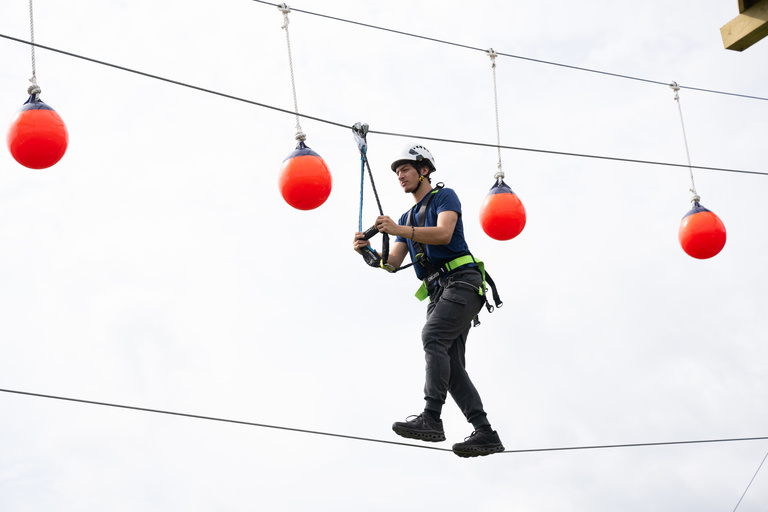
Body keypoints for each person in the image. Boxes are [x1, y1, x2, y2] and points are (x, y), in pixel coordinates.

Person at [353, 143, 504, 458]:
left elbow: (445, 234)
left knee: (432, 336)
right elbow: (392, 262)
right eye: (397, 172)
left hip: (462, 281)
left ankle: (432, 417)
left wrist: (398, 228)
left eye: (405, 169)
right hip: (438, 291)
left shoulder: (444, 198)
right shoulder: (408, 217)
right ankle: (485, 433)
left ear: (424, 170)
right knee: (450, 366)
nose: (400, 176)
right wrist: (367, 252)